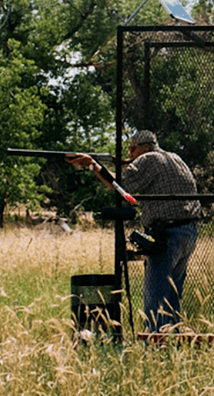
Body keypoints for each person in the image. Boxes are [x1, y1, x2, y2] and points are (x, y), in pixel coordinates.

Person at [66, 130, 201, 333]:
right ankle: (173, 339)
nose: (129, 153)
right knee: (172, 296)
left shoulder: (148, 159)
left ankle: (155, 341)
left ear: (145, 148)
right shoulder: (174, 158)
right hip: (188, 231)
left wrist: (92, 165)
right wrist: (116, 163)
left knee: (155, 297)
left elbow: (120, 185)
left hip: (166, 234)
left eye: (133, 148)